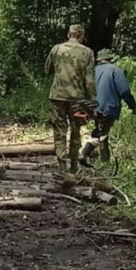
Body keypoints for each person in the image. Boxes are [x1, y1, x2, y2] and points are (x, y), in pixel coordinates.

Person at [45, 25, 96, 172]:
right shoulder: (87, 53)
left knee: (59, 131)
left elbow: (47, 70)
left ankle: (62, 165)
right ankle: (74, 166)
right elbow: (90, 81)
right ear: (81, 36)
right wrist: (92, 101)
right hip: (77, 99)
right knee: (75, 130)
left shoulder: (56, 49)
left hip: (57, 96)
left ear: (69, 34)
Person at [80, 49, 136, 167]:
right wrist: (133, 107)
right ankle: (84, 154)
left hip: (92, 107)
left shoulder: (92, 71)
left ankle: (105, 162)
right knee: (101, 133)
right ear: (110, 59)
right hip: (108, 107)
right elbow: (125, 91)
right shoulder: (115, 70)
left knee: (102, 131)